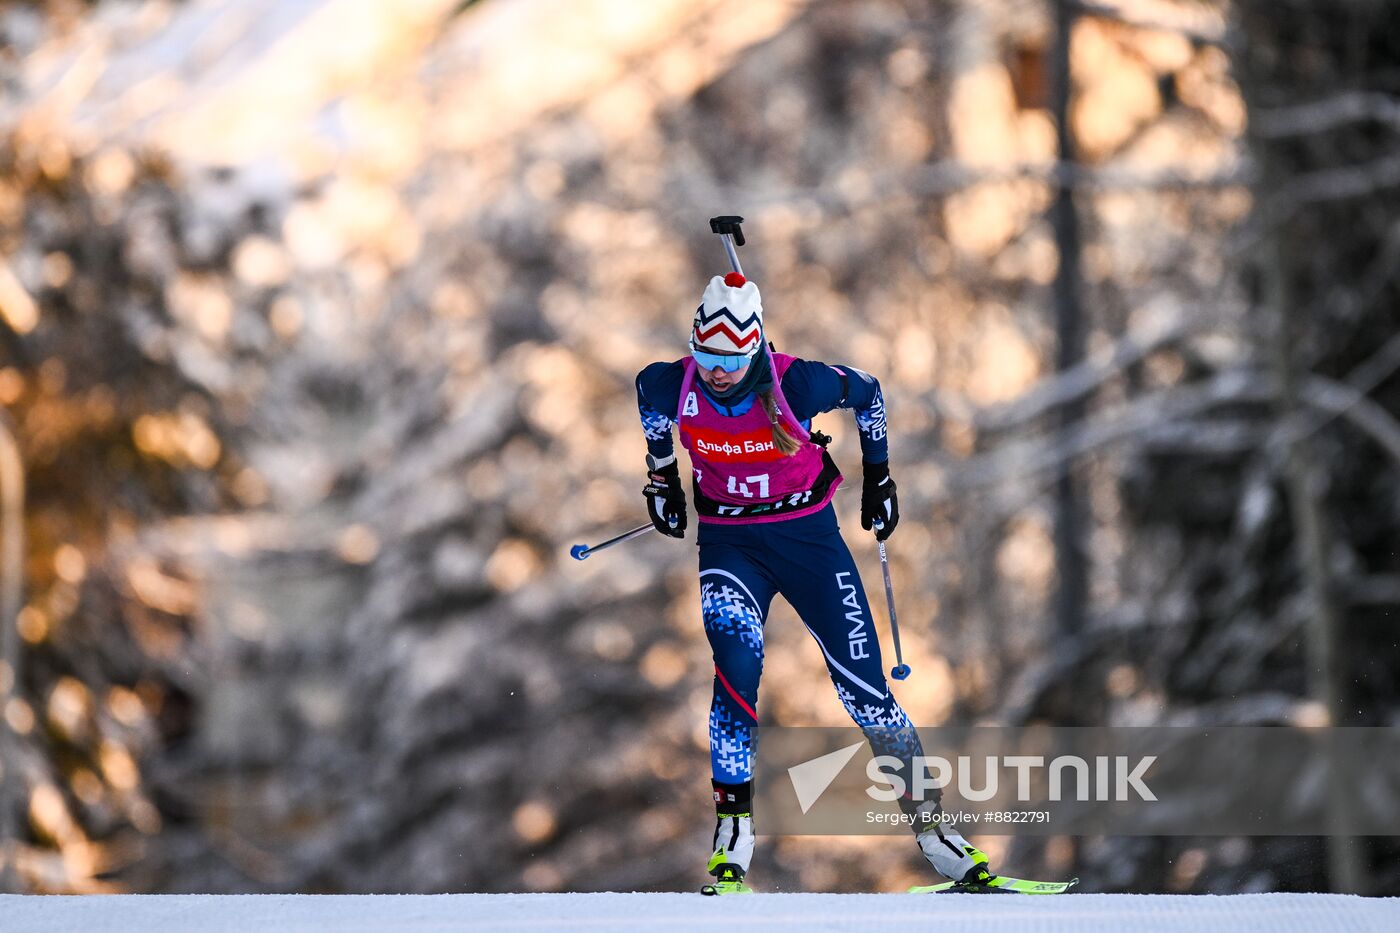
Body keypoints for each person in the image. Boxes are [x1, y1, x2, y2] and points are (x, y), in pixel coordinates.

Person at [635, 271, 996, 894]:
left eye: (729, 358)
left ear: (753, 347)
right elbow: (650, 406)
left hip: (810, 544)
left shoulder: (796, 382)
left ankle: (939, 836)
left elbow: (871, 395)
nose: (716, 372)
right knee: (736, 673)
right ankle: (732, 836)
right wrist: (662, 480)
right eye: (705, 355)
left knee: (865, 691)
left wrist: (879, 478)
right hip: (731, 546)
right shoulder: (670, 383)